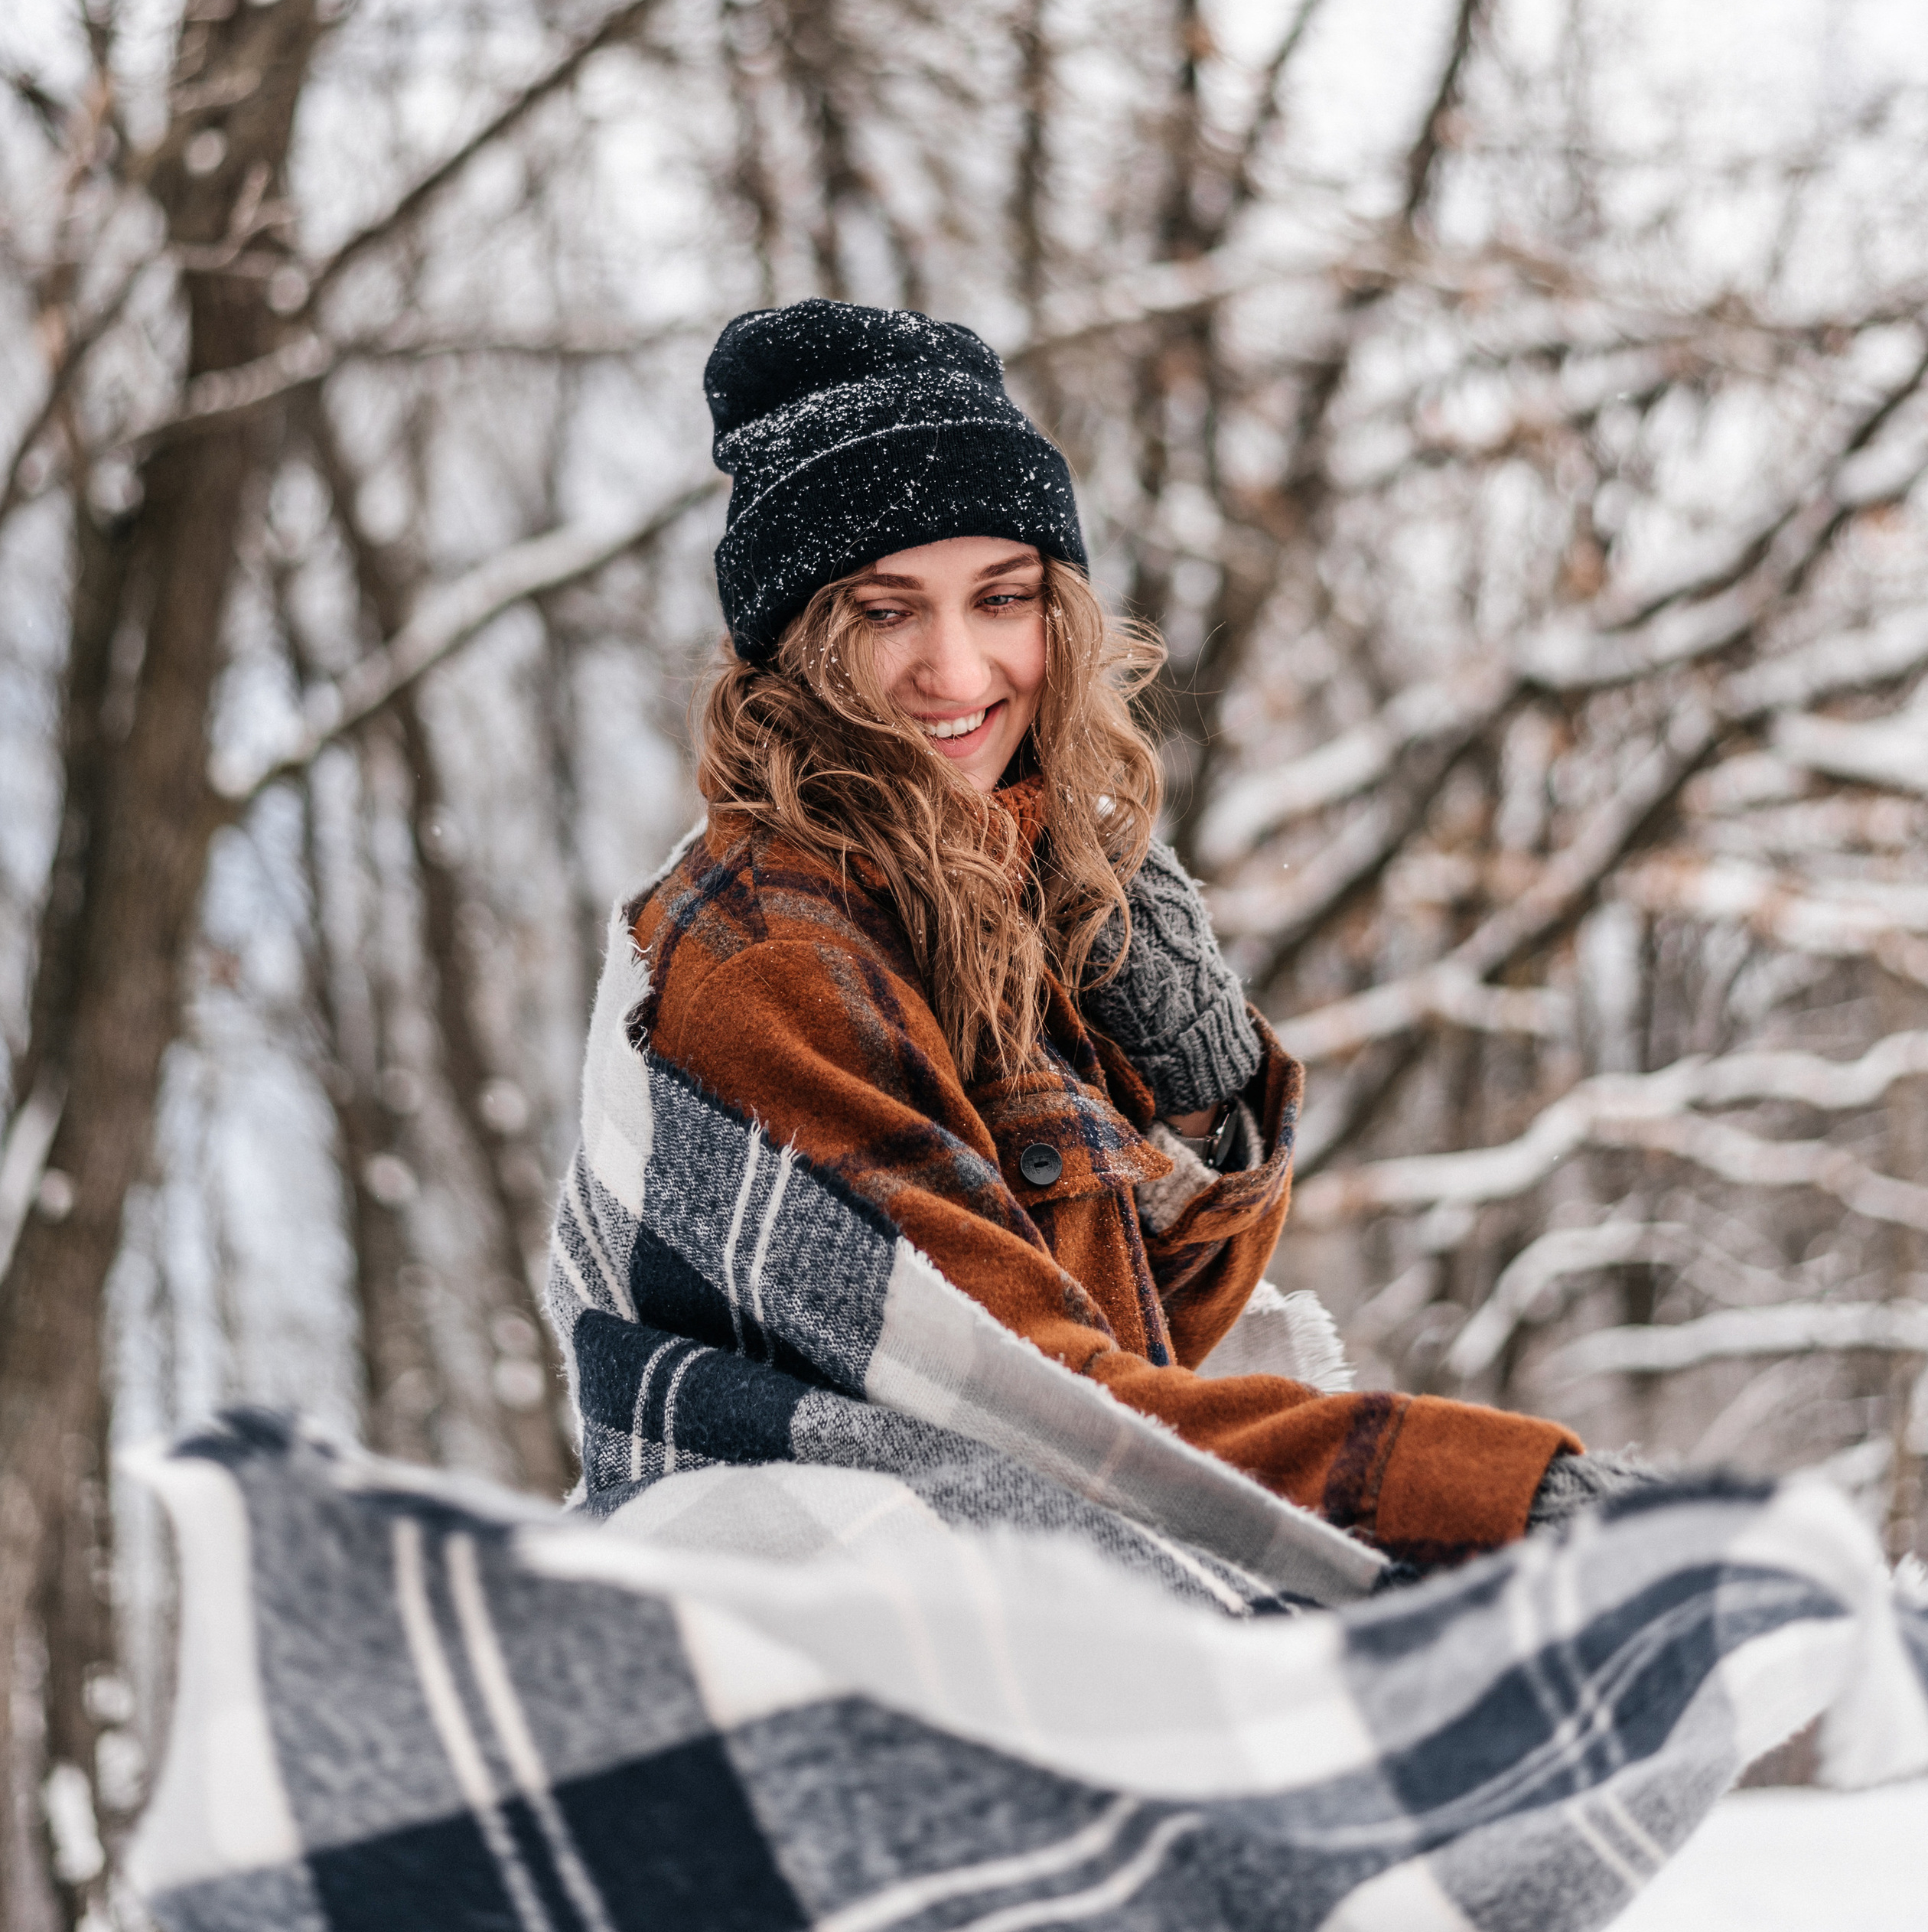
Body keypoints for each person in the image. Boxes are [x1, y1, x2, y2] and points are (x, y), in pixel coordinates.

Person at [626, 298, 1636, 1572]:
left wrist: (1202, 1100)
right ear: (798, 643)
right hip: (850, 1625)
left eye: (1003, 597)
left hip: (1006, 1594)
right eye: (886, 611)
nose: (959, 670)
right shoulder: (783, 953)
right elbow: (1041, 1411)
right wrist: (1490, 1496)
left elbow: (1157, 1325)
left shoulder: (994, 895)